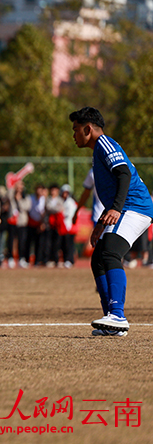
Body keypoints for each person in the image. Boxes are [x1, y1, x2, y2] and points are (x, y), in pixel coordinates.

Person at [70, 107, 153, 337]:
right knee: (98, 258)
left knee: (109, 253)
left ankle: (117, 315)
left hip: (135, 207)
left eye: (76, 130)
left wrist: (116, 209)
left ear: (88, 129)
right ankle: (111, 322)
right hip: (127, 206)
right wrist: (101, 222)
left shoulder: (105, 144)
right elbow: (114, 187)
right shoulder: (98, 150)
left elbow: (124, 174)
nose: (73, 135)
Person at [8, 181, 31, 268]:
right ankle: (10, 258)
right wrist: (13, 188)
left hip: (21, 222)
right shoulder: (12, 196)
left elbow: (27, 207)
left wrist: (19, 200)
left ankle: (21, 258)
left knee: (22, 241)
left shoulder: (26, 197)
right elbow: (8, 195)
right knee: (11, 241)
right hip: (12, 221)